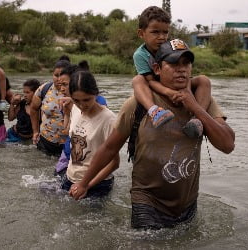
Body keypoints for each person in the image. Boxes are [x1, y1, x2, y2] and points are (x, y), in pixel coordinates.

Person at [69, 39, 235, 229]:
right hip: (147, 202)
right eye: (173, 64)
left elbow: (227, 145)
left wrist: (196, 109)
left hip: (187, 202)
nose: (181, 70)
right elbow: (109, 147)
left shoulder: (202, 100)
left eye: (186, 64)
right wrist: (84, 184)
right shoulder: (138, 104)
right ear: (157, 68)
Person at [133, 6, 211, 137]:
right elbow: (151, 81)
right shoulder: (140, 54)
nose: (162, 37)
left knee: (204, 80)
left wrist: (186, 92)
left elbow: (185, 73)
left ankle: (198, 119)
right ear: (141, 34)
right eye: (155, 32)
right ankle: (154, 111)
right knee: (138, 80)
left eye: (165, 32)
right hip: (155, 85)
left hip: (175, 82)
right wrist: (170, 93)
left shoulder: (170, 47)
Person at [60, 70, 120, 198]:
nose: (82, 105)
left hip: (97, 184)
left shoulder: (108, 120)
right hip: (71, 178)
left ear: (96, 93)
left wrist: (86, 185)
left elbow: (114, 163)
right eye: (76, 100)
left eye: (87, 100)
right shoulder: (74, 108)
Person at [55, 62, 107, 176]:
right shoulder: (72, 105)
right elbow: (66, 131)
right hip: (70, 159)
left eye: (65, 84)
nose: (62, 89)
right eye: (60, 85)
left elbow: (110, 155)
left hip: (87, 166)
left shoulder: (102, 108)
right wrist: (68, 112)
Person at [30, 59, 71, 157]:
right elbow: (33, 109)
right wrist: (35, 131)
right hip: (46, 140)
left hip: (67, 143)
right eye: (56, 75)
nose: (59, 79)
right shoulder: (44, 89)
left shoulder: (75, 90)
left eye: (61, 76)